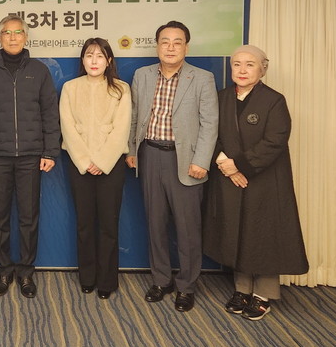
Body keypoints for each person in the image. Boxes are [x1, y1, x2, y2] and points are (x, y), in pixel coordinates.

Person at [203, 44, 308, 321]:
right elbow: (209, 133)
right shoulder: (221, 98)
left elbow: (275, 141)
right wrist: (226, 166)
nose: (242, 70)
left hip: (264, 180)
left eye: (250, 64)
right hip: (228, 177)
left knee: (262, 235)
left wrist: (240, 165)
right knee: (236, 232)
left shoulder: (274, 100)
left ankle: (262, 294)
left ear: (263, 69)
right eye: (237, 64)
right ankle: (241, 289)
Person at [127, 20, 217, 312]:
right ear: (157, 46)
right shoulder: (142, 75)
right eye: (165, 42)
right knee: (155, 223)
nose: (170, 47)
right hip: (150, 155)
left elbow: (210, 124)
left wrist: (201, 160)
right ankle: (161, 280)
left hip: (186, 161)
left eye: (177, 42)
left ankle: (186, 286)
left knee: (187, 228)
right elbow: (134, 115)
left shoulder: (202, 78)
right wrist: (132, 150)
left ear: (186, 47)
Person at [0, 13, 60, 299]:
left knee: (28, 216)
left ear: (26, 37)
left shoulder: (39, 71)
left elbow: (50, 113)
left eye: (18, 32)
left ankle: (25, 271)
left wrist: (50, 150)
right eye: (7, 33)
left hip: (31, 156)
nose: (12, 37)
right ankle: (4, 270)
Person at [60, 38, 131, 300]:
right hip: (79, 165)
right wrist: (85, 160)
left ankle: (107, 280)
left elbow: (121, 128)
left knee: (108, 225)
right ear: (82, 60)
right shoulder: (70, 87)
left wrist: (101, 162)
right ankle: (87, 277)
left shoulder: (121, 89)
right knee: (85, 223)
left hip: (111, 166)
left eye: (100, 56)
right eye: (89, 55)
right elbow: (67, 126)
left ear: (109, 61)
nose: (94, 61)